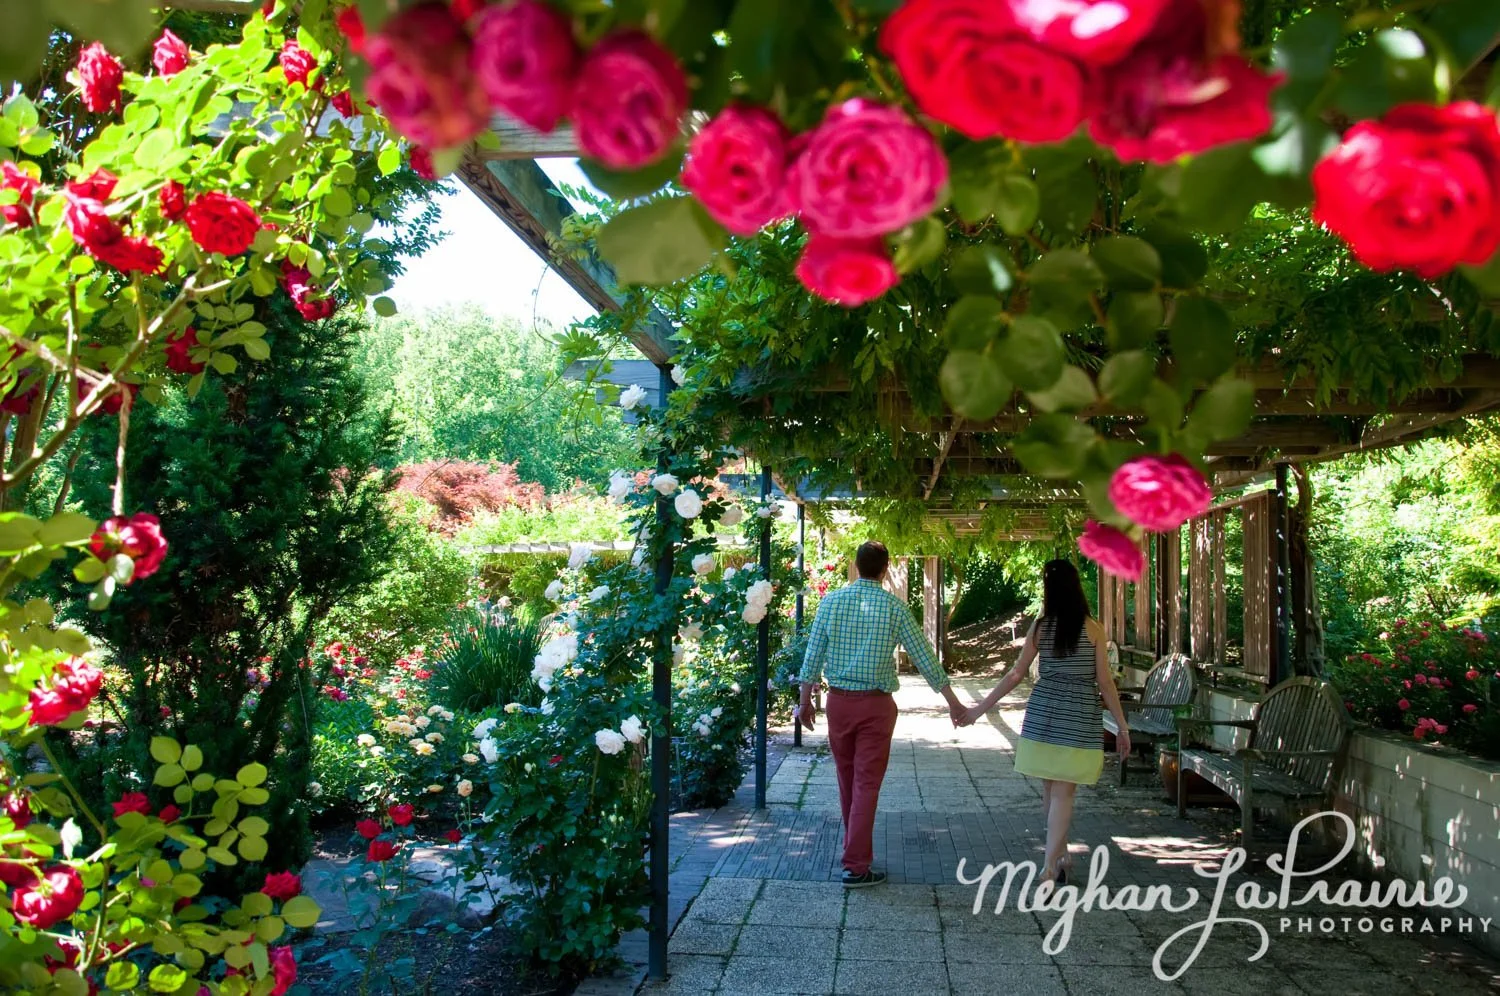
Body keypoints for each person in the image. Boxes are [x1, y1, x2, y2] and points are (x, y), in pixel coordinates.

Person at [798, 540, 969, 888]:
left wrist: (804, 700)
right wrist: (953, 701)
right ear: (885, 568)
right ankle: (857, 865)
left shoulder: (830, 603)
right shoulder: (895, 607)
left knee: (848, 781)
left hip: (840, 705)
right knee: (866, 784)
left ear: (855, 565)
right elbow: (923, 656)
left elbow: (813, 653)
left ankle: (854, 855)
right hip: (876, 706)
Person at [960, 558, 1131, 885]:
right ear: (1076, 586)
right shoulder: (1093, 629)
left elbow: (1015, 674)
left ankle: (1060, 858)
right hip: (1078, 716)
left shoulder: (1040, 628)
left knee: (1051, 791)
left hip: (1043, 714)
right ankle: (1051, 866)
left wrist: (979, 709)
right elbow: (1106, 683)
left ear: (1049, 589)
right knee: (1062, 793)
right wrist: (1122, 727)